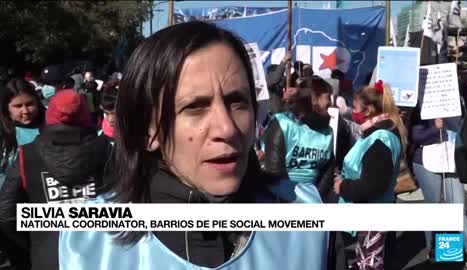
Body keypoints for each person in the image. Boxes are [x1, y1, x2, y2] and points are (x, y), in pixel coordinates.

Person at [59, 21, 330, 270]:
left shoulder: (308, 223)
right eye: (195, 107)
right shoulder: (86, 244)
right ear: (148, 131)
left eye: (237, 102)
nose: (226, 128)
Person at [0, 89, 110, 270]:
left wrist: (35, 244)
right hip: (101, 255)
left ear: (50, 115)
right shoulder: (108, 150)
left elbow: (6, 214)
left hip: (49, 256)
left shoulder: (26, 155)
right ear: (85, 116)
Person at [333, 81, 406, 270]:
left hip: (370, 217)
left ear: (369, 109)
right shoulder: (377, 133)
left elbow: (372, 185)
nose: (353, 111)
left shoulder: (380, 139)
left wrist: (343, 187)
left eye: (356, 107)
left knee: (369, 266)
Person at [411, 107, 467, 268]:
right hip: (426, 161)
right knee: (434, 208)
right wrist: (435, 128)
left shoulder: (458, 101)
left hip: (453, 159)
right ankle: (434, 250)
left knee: (458, 208)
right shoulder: (422, 105)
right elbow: (416, 136)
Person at [262, 76, 334, 203]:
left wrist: (316, 197)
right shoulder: (283, 124)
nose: (330, 102)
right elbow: (274, 171)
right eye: (327, 97)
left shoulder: (327, 132)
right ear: (314, 98)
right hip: (284, 199)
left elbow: (327, 171)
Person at [0, 78, 45, 270]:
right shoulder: (3, 136)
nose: (25, 111)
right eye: (18, 106)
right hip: (9, 216)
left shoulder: (51, 129)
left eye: (30, 104)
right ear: (6, 108)